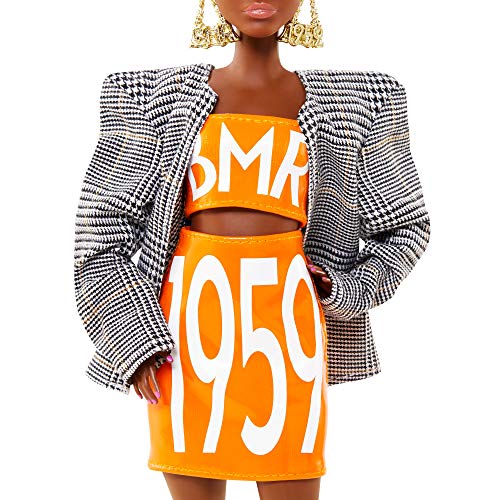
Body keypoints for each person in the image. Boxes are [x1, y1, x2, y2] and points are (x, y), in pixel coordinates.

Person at [73, 1, 430, 498]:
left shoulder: (363, 101)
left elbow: (407, 228)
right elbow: (100, 235)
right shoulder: (147, 96)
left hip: (290, 333)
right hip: (184, 336)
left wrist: (346, 290)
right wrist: (134, 340)